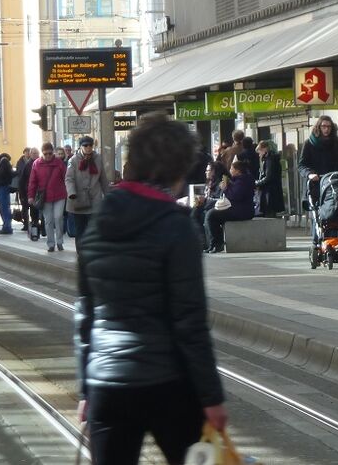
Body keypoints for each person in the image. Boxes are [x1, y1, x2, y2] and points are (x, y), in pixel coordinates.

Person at [75, 113, 227, 465]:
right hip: (167, 382)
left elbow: (85, 312)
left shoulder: (99, 221)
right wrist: (211, 397)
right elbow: (189, 322)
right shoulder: (177, 228)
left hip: (107, 383)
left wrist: (87, 386)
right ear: (178, 169)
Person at [299, 115, 338, 208]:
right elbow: (301, 165)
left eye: (329, 127)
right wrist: (309, 174)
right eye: (323, 126)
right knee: (318, 216)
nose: (326, 129)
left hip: (335, 186)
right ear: (318, 127)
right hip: (316, 186)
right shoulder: (309, 144)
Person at [204, 160, 255, 253]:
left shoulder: (243, 181)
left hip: (242, 211)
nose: (230, 170)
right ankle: (213, 243)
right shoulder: (238, 180)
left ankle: (216, 243)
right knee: (211, 214)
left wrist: (226, 188)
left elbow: (235, 196)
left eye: (232, 168)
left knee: (211, 215)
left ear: (238, 171)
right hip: (237, 208)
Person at [66, 136, 109, 242]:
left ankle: (92, 252)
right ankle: (81, 253)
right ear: (80, 147)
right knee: (80, 230)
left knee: (94, 229)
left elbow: (103, 178)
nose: (88, 148)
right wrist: (72, 193)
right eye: (85, 145)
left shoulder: (98, 158)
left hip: (94, 198)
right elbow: (69, 178)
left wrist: (108, 195)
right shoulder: (74, 160)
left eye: (90, 145)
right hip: (79, 199)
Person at [29, 142, 69, 252]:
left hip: (59, 195)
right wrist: (31, 196)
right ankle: (51, 243)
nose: (48, 156)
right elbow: (33, 182)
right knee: (48, 220)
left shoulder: (59, 163)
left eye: (50, 153)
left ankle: (60, 242)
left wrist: (69, 192)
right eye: (45, 154)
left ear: (53, 153)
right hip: (45, 197)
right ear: (42, 153)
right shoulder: (36, 164)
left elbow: (66, 178)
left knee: (58, 217)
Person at [190, 161, 229, 249]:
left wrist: (205, 199)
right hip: (208, 206)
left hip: (218, 207)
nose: (206, 172)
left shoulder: (221, 183)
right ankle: (202, 242)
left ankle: (210, 243)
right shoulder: (210, 183)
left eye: (208, 170)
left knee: (205, 215)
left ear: (215, 171)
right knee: (193, 212)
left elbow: (221, 200)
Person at [255, 140, 285, 218]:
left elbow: (269, 177)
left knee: (269, 217)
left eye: (259, 152)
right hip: (273, 192)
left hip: (269, 193)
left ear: (264, 149)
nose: (259, 155)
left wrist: (257, 183)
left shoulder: (269, 160)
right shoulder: (272, 159)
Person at [0, 151, 15, 235]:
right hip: (2, 187)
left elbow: (0, 174)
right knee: (4, 207)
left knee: (4, 207)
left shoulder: (3, 161)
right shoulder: (3, 161)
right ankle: (6, 226)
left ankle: (7, 227)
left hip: (2, 187)